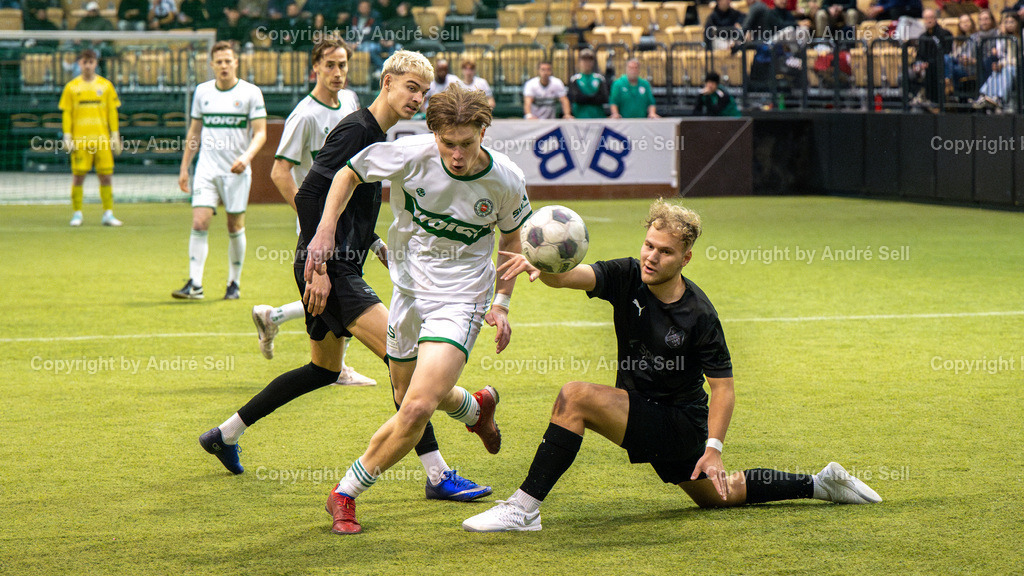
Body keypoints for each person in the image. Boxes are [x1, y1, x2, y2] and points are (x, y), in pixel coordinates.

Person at [462, 199, 883, 532]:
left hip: (679, 422)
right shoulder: (627, 275)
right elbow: (567, 278)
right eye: (648, 245)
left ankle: (523, 509)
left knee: (576, 397)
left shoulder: (699, 314)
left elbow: (723, 388)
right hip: (641, 409)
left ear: (685, 259)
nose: (651, 257)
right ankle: (819, 483)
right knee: (718, 497)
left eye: (665, 252)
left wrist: (713, 450)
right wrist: (542, 262)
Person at [200, 51, 494, 508]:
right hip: (331, 269)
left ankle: (225, 433)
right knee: (408, 372)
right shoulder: (358, 129)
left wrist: (371, 241)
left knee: (323, 370)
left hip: (340, 264)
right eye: (410, 87)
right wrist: (317, 267)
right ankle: (441, 469)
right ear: (387, 82)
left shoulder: (375, 133)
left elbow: (347, 200)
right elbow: (314, 192)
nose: (418, 97)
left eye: (424, 90)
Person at [307, 83, 532, 534]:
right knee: (405, 392)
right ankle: (475, 407)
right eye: (447, 144)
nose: (456, 154)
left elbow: (510, 242)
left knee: (414, 408)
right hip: (407, 292)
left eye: (466, 143)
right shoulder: (409, 154)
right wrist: (325, 230)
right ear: (434, 135)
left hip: (463, 298)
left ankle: (344, 493)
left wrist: (502, 305)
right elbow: (346, 174)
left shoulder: (506, 179)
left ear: (483, 131)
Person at [254, 38, 373, 387]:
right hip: (322, 225)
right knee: (341, 289)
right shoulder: (304, 115)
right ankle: (334, 366)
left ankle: (275, 318)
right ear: (315, 69)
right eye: (330, 65)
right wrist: (312, 217)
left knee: (340, 289)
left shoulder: (350, 101)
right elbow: (279, 171)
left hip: (348, 218)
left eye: (343, 65)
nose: (338, 72)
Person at [173, 41, 267, 300]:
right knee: (199, 221)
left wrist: (246, 158)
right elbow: (194, 131)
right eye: (219, 61)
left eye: (229, 61)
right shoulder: (202, 92)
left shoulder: (251, 93)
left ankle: (233, 284)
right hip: (206, 168)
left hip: (236, 171)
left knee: (234, 225)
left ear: (236, 63)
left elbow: (261, 133)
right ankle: (195, 284)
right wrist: (185, 167)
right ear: (212, 64)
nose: (224, 65)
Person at [59, 48, 123, 228]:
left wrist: (115, 135)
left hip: (102, 140)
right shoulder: (71, 87)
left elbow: (112, 112)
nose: (87, 66)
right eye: (84, 62)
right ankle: (77, 213)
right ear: (79, 64)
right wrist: (67, 135)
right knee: (78, 177)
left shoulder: (106, 86)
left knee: (106, 176)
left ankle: (108, 213)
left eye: (91, 62)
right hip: (80, 141)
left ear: (96, 63)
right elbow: (67, 113)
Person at [972, 13, 1020, 111]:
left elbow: (1019, 58)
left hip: (1018, 66)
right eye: (1006, 22)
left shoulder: (1022, 36)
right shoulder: (1003, 37)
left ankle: (999, 98)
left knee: (1008, 69)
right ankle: (985, 96)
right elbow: (1001, 54)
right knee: (997, 71)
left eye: (1012, 22)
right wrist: (1000, 64)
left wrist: (1003, 63)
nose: (1009, 24)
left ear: (1017, 23)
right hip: (1007, 64)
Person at [567, 49, 609, 119]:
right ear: (579, 62)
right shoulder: (574, 79)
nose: (587, 63)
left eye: (589, 60)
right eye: (584, 60)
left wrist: (584, 98)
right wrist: (594, 97)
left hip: (598, 117)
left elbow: (603, 98)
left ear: (593, 62)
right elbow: (576, 98)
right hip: (580, 117)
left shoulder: (600, 78)